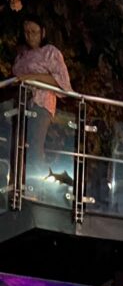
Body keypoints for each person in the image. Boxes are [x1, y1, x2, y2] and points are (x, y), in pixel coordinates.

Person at [12, 16, 71, 179]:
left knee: (34, 147)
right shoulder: (22, 54)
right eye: (27, 32)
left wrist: (33, 77)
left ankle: (37, 184)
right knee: (18, 145)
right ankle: (18, 183)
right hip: (22, 104)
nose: (30, 36)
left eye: (34, 32)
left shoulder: (50, 52)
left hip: (41, 103)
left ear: (43, 32)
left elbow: (61, 82)